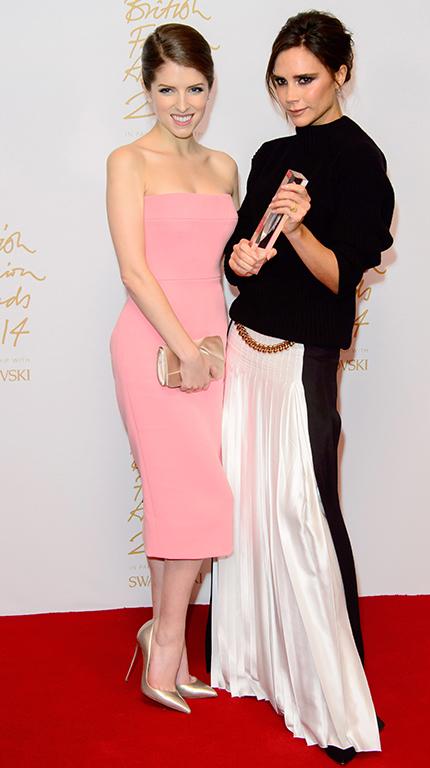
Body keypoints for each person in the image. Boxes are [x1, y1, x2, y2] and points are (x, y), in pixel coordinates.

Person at [210, 10, 394, 763]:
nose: (291, 95)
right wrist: (238, 262)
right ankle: (255, 660)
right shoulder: (269, 152)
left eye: (306, 79)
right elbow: (242, 251)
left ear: (341, 72)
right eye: (280, 81)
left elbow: (339, 279)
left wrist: (306, 226)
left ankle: (331, 689)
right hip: (246, 346)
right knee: (248, 505)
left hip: (301, 359)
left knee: (307, 512)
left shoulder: (361, 159)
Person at [109, 24, 237, 714]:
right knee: (191, 497)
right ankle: (165, 651)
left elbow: (223, 267)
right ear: (148, 90)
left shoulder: (224, 168)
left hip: (215, 348)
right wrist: (185, 347)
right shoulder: (128, 161)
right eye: (168, 90)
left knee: (183, 500)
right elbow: (133, 269)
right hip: (153, 347)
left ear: (211, 87)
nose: (182, 104)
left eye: (194, 89)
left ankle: (164, 636)